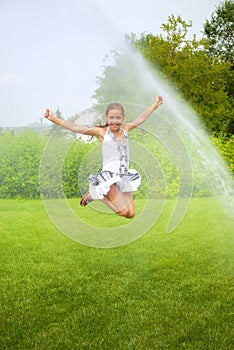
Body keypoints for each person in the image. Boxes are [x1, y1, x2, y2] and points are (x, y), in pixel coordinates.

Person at [44, 96, 163, 218]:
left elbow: (140, 119)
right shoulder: (102, 132)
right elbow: (76, 128)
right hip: (109, 177)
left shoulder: (126, 129)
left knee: (131, 214)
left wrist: (155, 104)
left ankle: (96, 193)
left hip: (124, 176)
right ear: (106, 118)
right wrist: (53, 118)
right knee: (122, 211)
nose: (115, 121)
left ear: (123, 118)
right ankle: (95, 194)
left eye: (118, 118)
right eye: (111, 118)